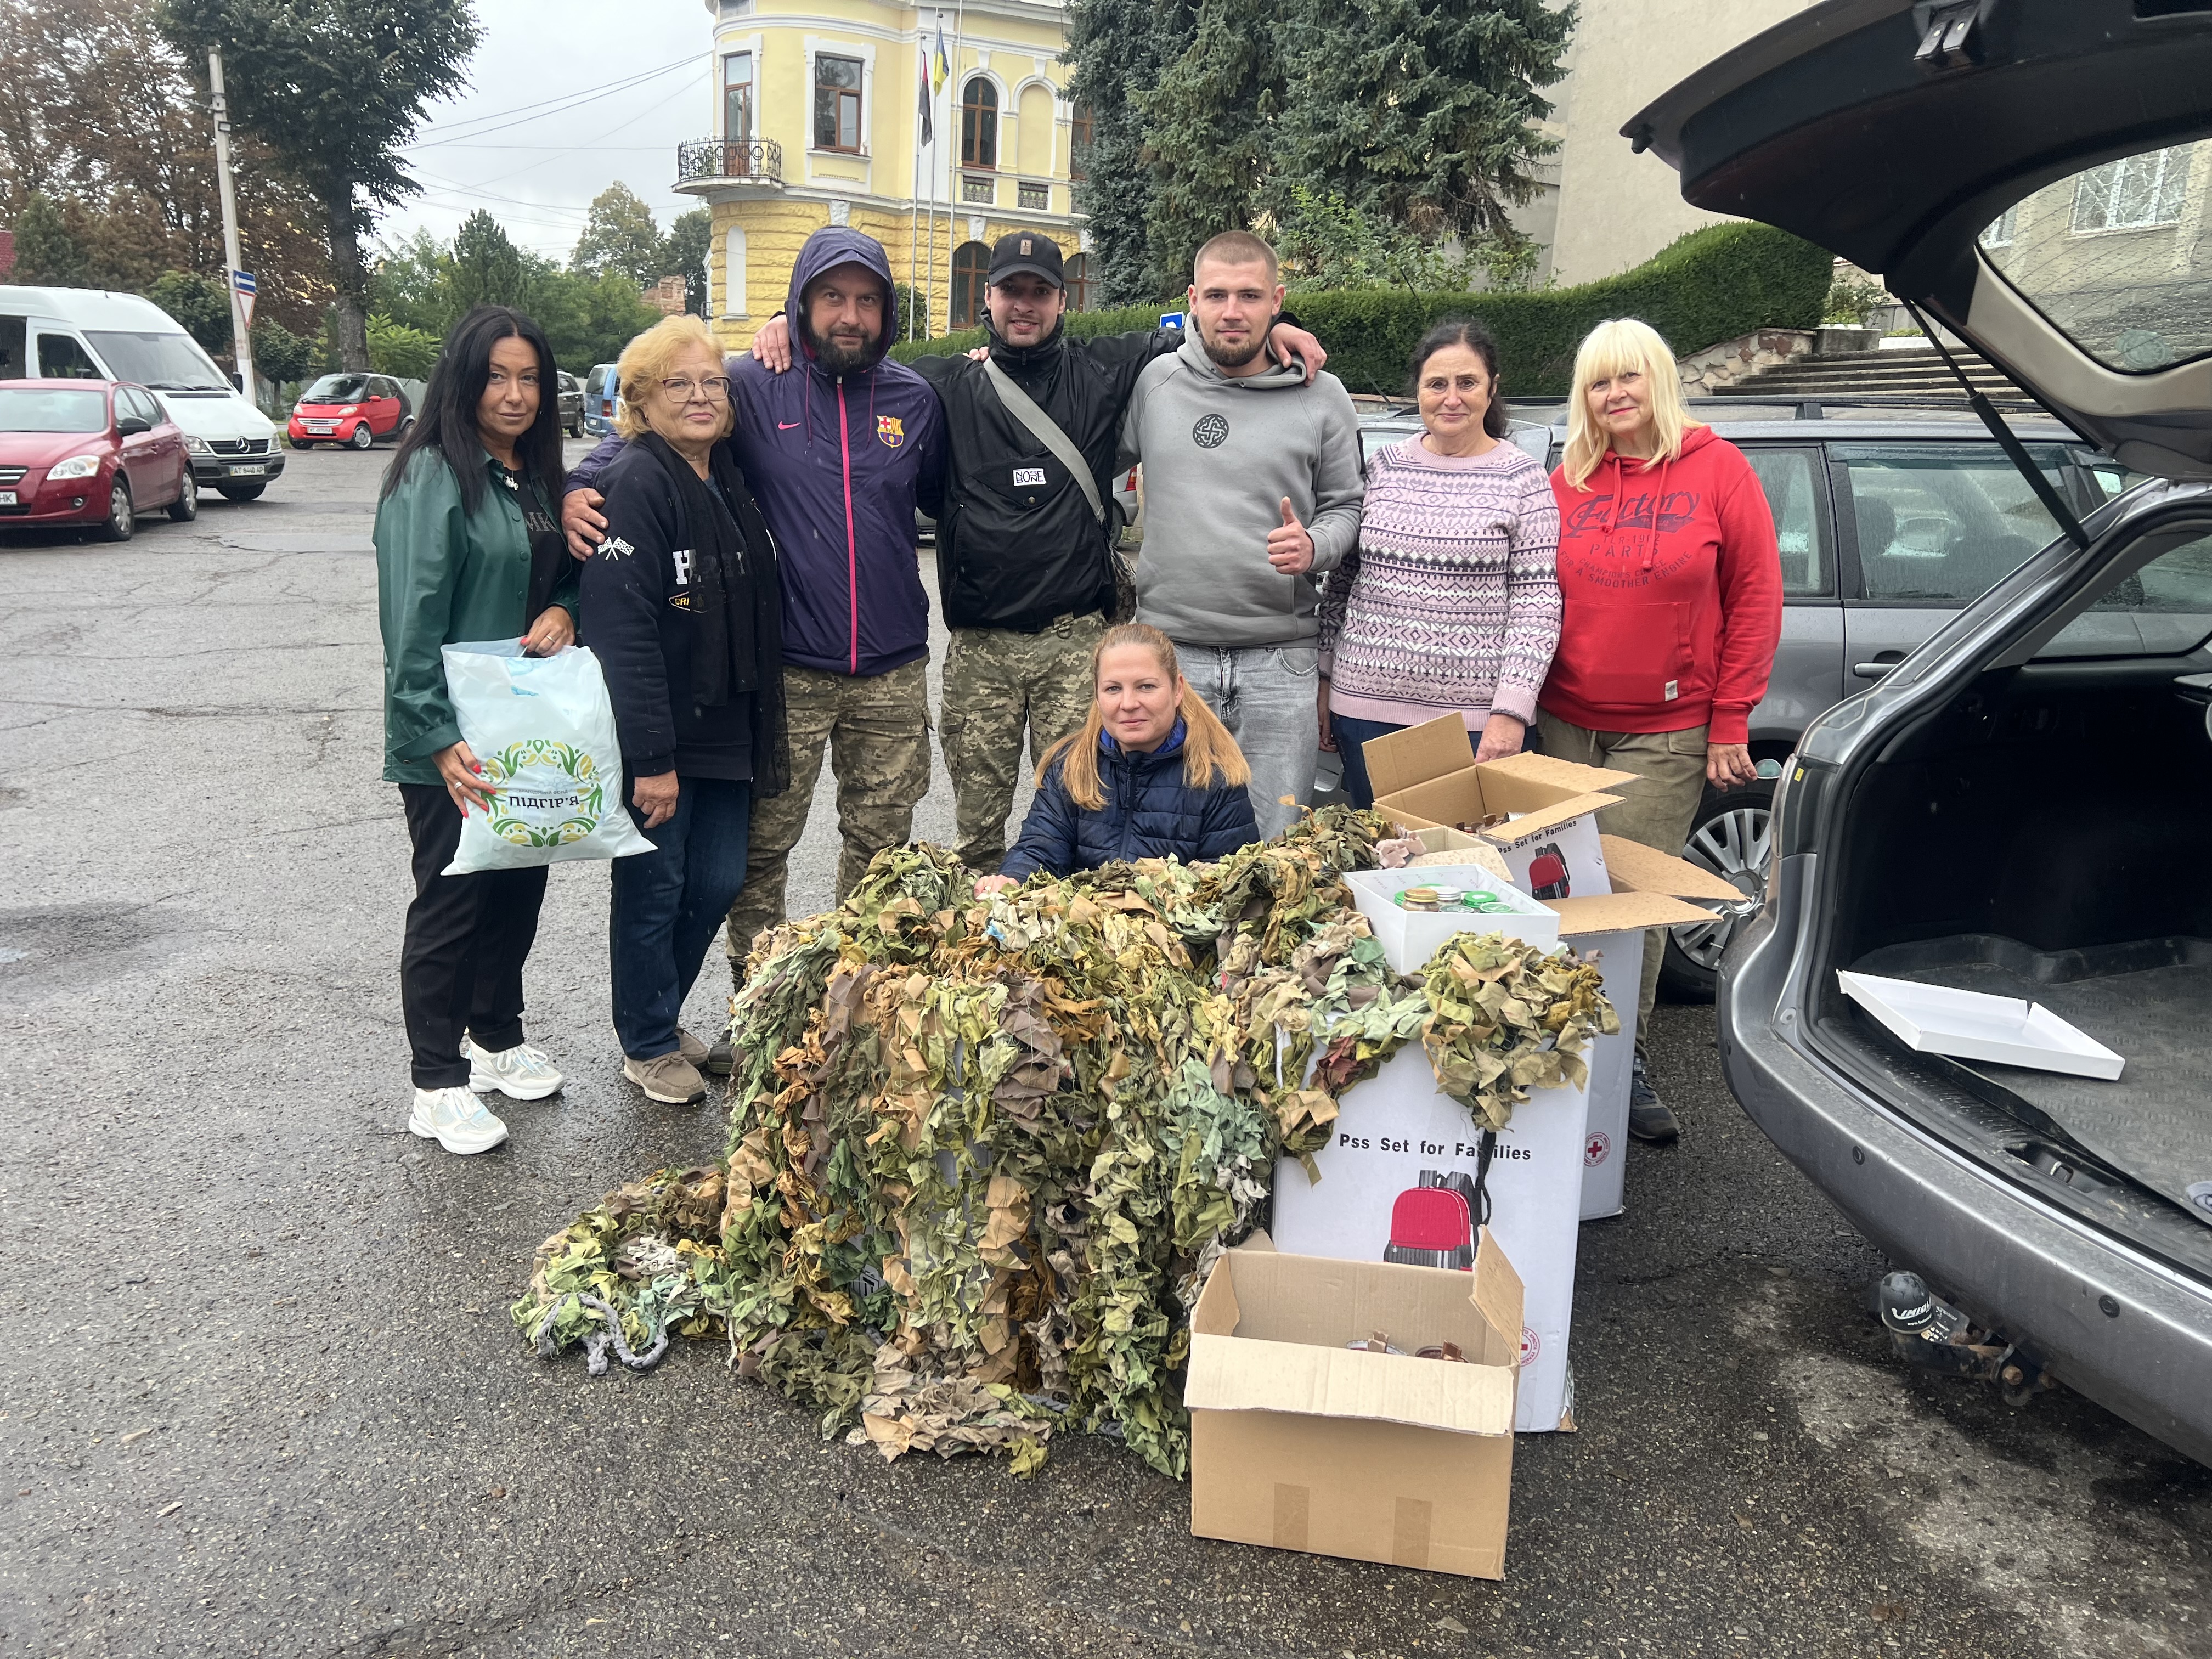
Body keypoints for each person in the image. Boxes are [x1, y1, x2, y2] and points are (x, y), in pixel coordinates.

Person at [746, 232, 1325, 877]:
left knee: (1090, 815)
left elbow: (1219, 333)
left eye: (1040, 293)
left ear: (1060, 302)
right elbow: (853, 348)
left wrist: (1284, 327)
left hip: (1074, 642)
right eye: (1011, 291)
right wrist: (783, 321)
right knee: (977, 833)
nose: (1025, 306)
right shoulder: (940, 383)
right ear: (986, 299)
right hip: (979, 650)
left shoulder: (1105, 369)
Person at [562, 227, 945, 1020]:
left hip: (894, 670)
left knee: (880, 855)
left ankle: (856, 1013)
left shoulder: (914, 399)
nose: (849, 316)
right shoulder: (753, 384)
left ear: (887, 312)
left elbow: (948, 495)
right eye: (832, 298)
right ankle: (764, 1014)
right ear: (801, 304)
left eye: (866, 300)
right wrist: (576, 488)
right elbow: (649, 433)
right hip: (789, 673)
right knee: (759, 856)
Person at [1539, 316, 1782, 1144]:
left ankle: (1620, 1063)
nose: (1614, 395)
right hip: (1564, 721)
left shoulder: (1720, 470)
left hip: (1667, 729)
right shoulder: (1568, 477)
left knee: (1625, 900)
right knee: (1561, 895)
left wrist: (1731, 717)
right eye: (1599, 382)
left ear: (1659, 381)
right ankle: (1550, 1047)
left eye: (1628, 378)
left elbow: (1755, 595)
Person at [374, 304, 577, 1156]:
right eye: (497, 374)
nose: (515, 393)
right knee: (453, 902)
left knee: (515, 891)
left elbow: (555, 571)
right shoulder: (433, 476)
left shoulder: (530, 476)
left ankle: (495, 1038)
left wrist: (566, 605)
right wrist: (433, 735)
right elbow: (413, 617)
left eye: (530, 377)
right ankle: (435, 1081)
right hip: (452, 739)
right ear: (462, 378)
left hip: (518, 728)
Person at [580, 316, 789, 1105]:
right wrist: (651, 760)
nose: (701, 397)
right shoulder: (638, 480)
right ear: (640, 399)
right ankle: (644, 1040)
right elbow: (623, 629)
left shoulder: (722, 474)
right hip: (666, 736)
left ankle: (660, 1018)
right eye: (679, 383)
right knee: (655, 889)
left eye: (713, 383)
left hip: (728, 726)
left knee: (716, 880)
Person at [1118, 231, 1365, 839]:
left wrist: (1315, 545)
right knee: (1163, 851)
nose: (1233, 312)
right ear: (1193, 300)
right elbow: (1103, 465)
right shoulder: (1155, 383)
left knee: (1275, 853)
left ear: (1277, 300)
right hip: (1171, 657)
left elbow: (1347, 507)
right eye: (1219, 295)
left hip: (1280, 662)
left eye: (1250, 296)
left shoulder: (1322, 396)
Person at [1316, 318, 1561, 807]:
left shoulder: (1525, 480)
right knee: (1383, 861)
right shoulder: (1383, 467)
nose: (1452, 398)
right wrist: (1324, 679)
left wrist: (1511, 710)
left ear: (1492, 388)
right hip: (1366, 711)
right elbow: (1343, 582)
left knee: (1467, 872)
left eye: (1467, 383)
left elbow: (1537, 606)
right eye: (1437, 384)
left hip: (1473, 726)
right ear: (1419, 391)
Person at [975, 624, 1259, 892]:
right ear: (1097, 697)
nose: (1128, 704)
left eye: (1146, 686)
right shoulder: (1069, 765)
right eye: (1113, 689)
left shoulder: (1217, 779)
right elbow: (1039, 849)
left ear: (1177, 690)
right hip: (1083, 934)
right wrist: (1013, 881)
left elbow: (1225, 889)